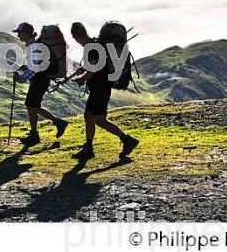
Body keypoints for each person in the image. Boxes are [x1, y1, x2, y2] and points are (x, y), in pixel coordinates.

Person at [70, 22, 139, 160]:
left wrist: (82, 78)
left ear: (76, 36)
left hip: (100, 88)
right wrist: (83, 69)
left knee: (94, 117)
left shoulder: (91, 47)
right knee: (95, 118)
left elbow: (95, 67)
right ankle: (123, 141)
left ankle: (123, 141)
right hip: (102, 87)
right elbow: (96, 64)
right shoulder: (96, 43)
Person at [12, 22, 69, 146]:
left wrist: (21, 78)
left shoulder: (34, 46)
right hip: (41, 80)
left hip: (39, 80)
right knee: (34, 107)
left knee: (31, 105)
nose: (18, 36)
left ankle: (35, 135)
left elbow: (35, 68)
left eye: (19, 33)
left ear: (26, 33)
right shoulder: (33, 45)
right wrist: (22, 68)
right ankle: (57, 123)